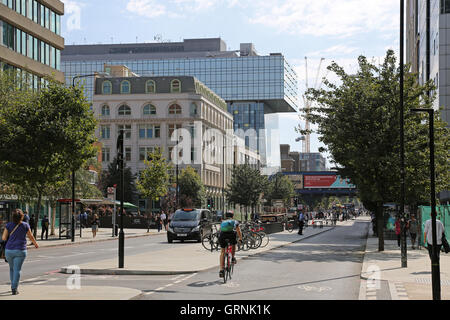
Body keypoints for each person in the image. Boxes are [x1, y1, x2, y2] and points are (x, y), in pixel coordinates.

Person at [2, 209, 39, 295]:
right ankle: (14, 288)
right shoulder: (25, 225)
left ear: (13, 217)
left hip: (9, 250)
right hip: (20, 250)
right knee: (17, 269)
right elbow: (31, 236)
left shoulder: (8, 225)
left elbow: (3, 238)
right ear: (22, 216)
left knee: (11, 268)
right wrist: (35, 244)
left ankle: (13, 286)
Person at [218, 211, 242, 278]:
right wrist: (240, 239)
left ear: (226, 216)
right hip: (231, 235)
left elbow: (220, 230)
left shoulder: (222, 221)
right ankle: (232, 258)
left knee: (222, 252)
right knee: (234, 244)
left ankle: (221, 269)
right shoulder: (235, 221)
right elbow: (238, 231)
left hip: (222, 236)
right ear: (232, 216)